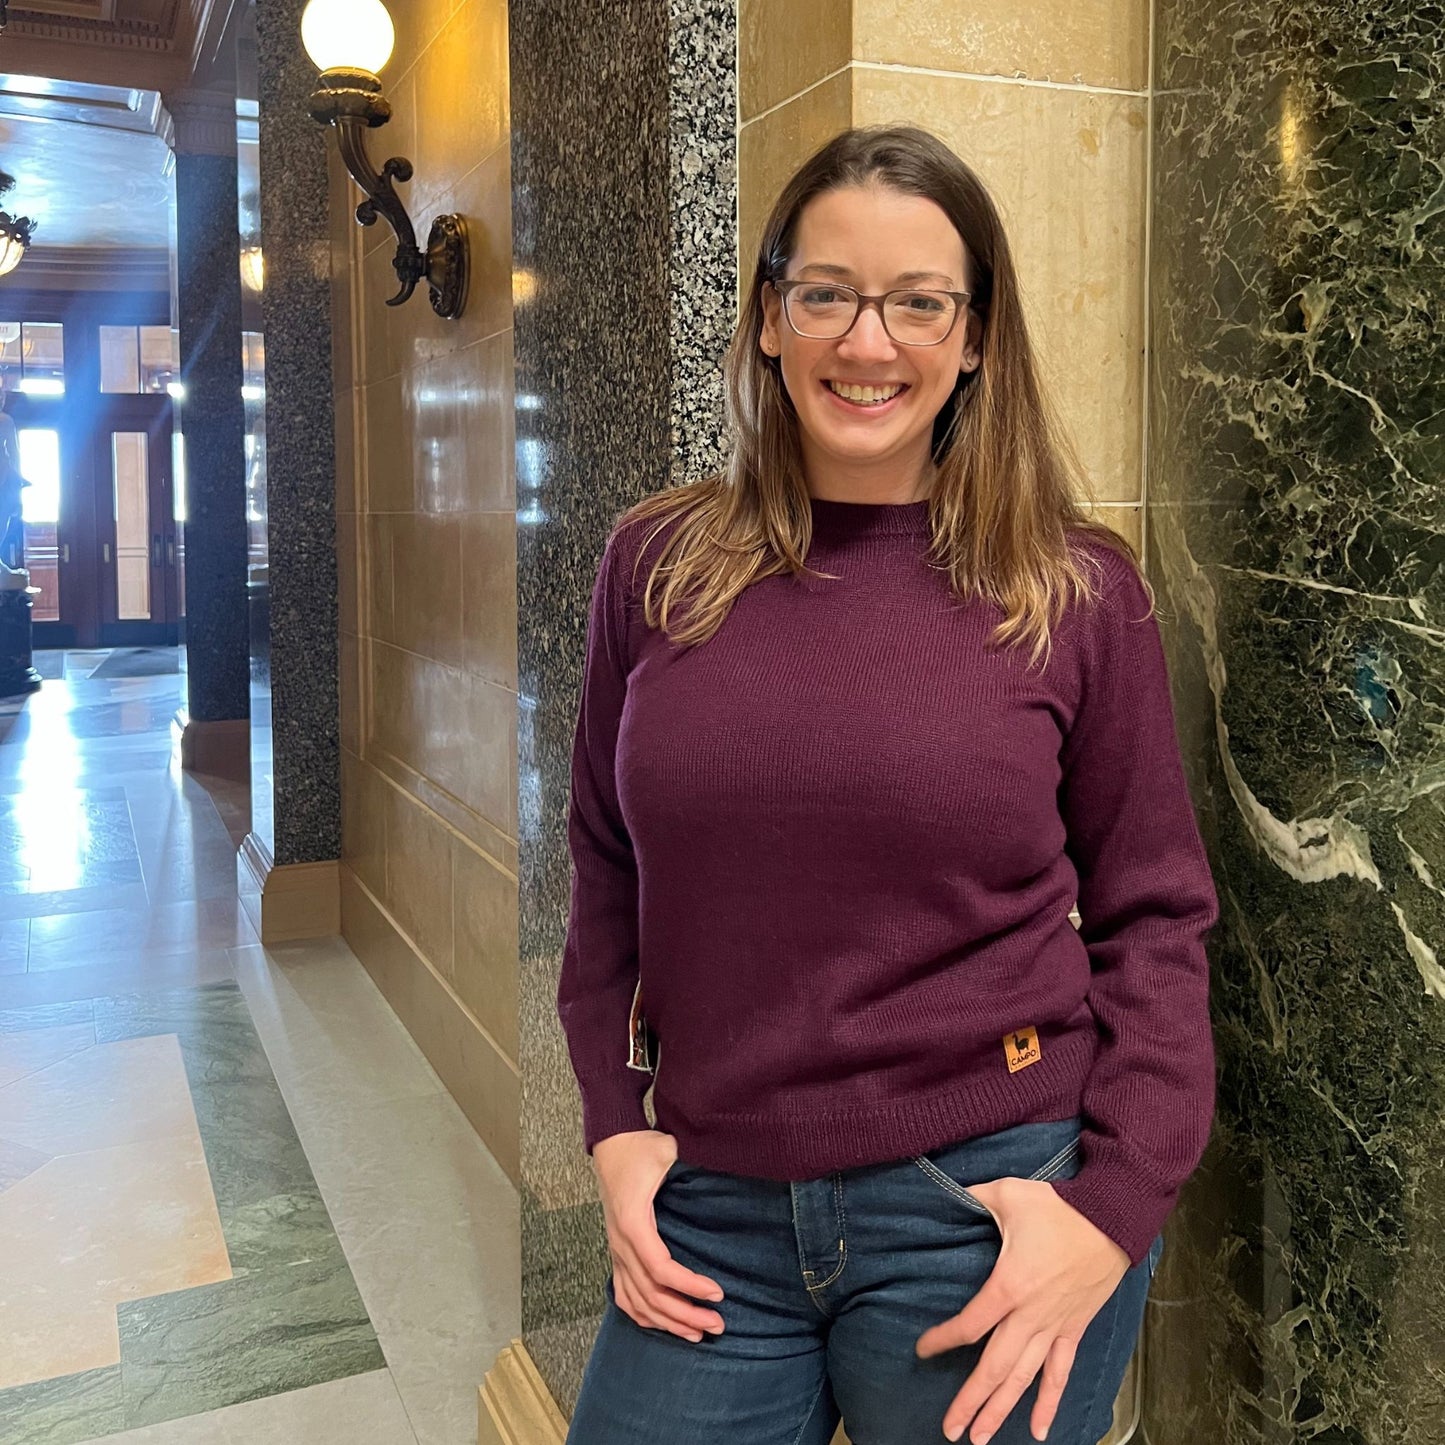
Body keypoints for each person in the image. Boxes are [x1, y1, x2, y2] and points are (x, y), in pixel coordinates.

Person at [557, 125, 1218, 1445]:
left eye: (919, 302)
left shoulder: (1075, 588)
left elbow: (1156, 915)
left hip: (987, 1199)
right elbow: (601, 867)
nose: (869, 345)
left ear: (973, 337)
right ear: (766, 318)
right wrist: (609, 1121)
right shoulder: (655, 564)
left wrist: (1111, 1209)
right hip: (709, 1198)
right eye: (826, 295)